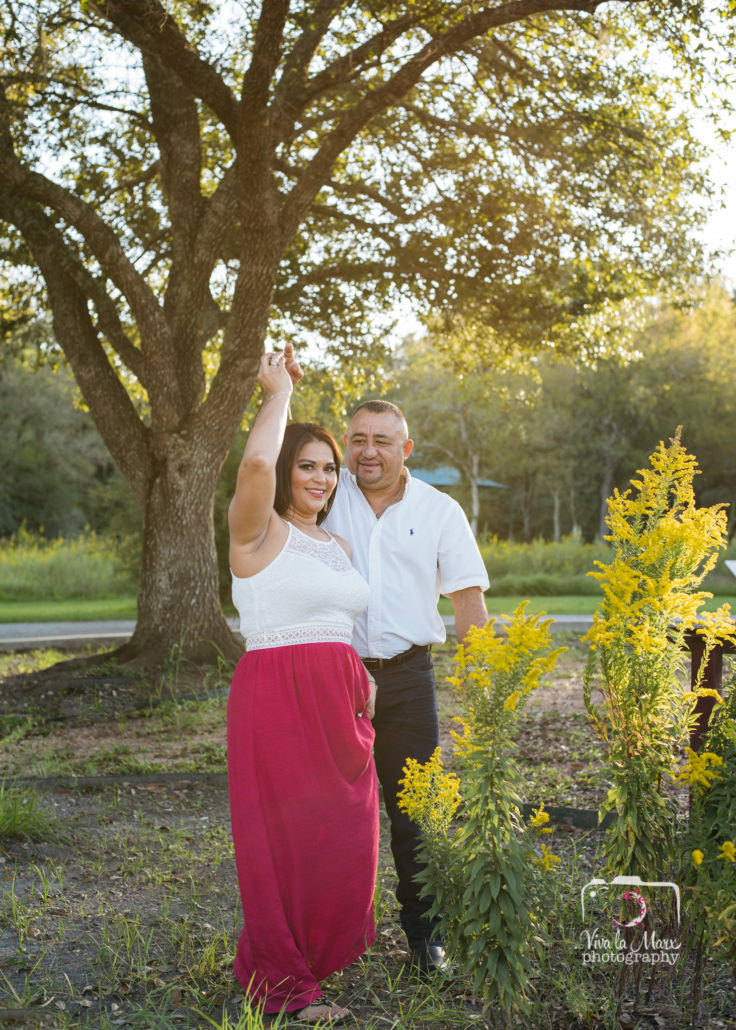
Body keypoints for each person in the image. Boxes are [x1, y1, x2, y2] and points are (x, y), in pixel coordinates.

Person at [227, 345, 379, 1025]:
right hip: (277, 702)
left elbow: (335, 618)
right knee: (281, 843)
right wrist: (279, 391)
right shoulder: (256, 534)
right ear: (286, 470)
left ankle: (297, 956)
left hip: (338, 710)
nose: (320, 478)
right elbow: (256, 462)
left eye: (329, 468)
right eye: (307, 465)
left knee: (341, 840)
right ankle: (284, 984)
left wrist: (362, 672)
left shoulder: (336, 545)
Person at [324, 399, 489, 972]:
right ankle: (330, 935)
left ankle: (425, 937)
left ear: (406, 449)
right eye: (358, 439)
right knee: (332, 810)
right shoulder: (322, 495)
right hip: (335, 677)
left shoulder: (440, 510)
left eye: (382, 441)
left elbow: (468, 600)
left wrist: (482, 686)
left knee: (416, 811)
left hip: (407, 677)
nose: (369, 451)